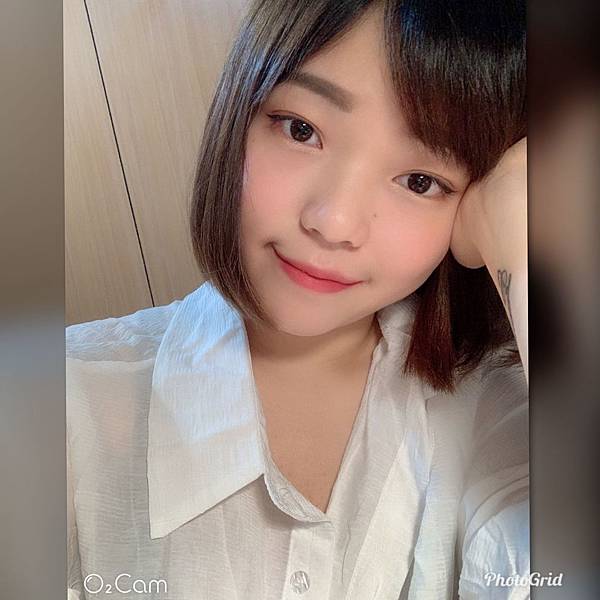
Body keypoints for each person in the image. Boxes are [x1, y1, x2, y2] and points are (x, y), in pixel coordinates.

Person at [67, 1, 528, 598]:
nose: (334, 223)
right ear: (238, 112)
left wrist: (523, 226)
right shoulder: (58, 403)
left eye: (420, 181)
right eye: (301, 130)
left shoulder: (498, 409)